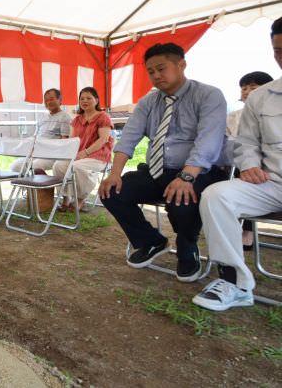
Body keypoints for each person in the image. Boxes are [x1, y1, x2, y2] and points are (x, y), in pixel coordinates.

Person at [99, 43, 228, 283]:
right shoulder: (148, 101)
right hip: (157, 170)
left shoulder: (209, 95)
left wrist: (187, 176)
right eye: (150, 71)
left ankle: (187, 244)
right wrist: (114, 173)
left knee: (182, 198)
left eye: (161, 68)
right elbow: (129, 136)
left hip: (197, 172)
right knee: (111, 191)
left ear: (181, 64)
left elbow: (209, 140)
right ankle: (151, 241)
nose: (156, 76)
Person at [192, 16, 282, 311]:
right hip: (272, 182)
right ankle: (235, 282)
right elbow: (246, 142)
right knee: (216, 195)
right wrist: (249, 164)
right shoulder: (262, 98)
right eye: (278, 50)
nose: (281, 56)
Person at [225, 71, 273, 251]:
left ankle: (247, 230)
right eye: (244, 88)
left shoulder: (274, 113)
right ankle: (233, 226)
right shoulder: (233, 116)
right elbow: (227, 142)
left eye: (253, 87)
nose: (246, 91)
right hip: (236, 163)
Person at [53, 87, 113, 211]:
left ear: (96, 100)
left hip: (99, 156)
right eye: (82, 98)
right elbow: (72, 140)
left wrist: (85, 152)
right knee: (58, 166)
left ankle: (81, 199)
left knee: (77, 167)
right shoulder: (76, 119)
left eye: (89, 98)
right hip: (79, 154)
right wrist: (69, 153)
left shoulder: (103, 117)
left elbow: (103, 140)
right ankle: (66, 198)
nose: (85, 101)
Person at [10, 88, 71, 173]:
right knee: (15, 166)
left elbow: (65, 141)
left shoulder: (64, 117)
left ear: (60, 100)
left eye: (51, 99)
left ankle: (45, 185)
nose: (48, 102)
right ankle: (32, 186)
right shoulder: (41, 117)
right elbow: (35, 138)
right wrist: (31, 152)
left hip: (52, 155)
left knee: (34, 166)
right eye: (46, 100)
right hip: (37, 152)